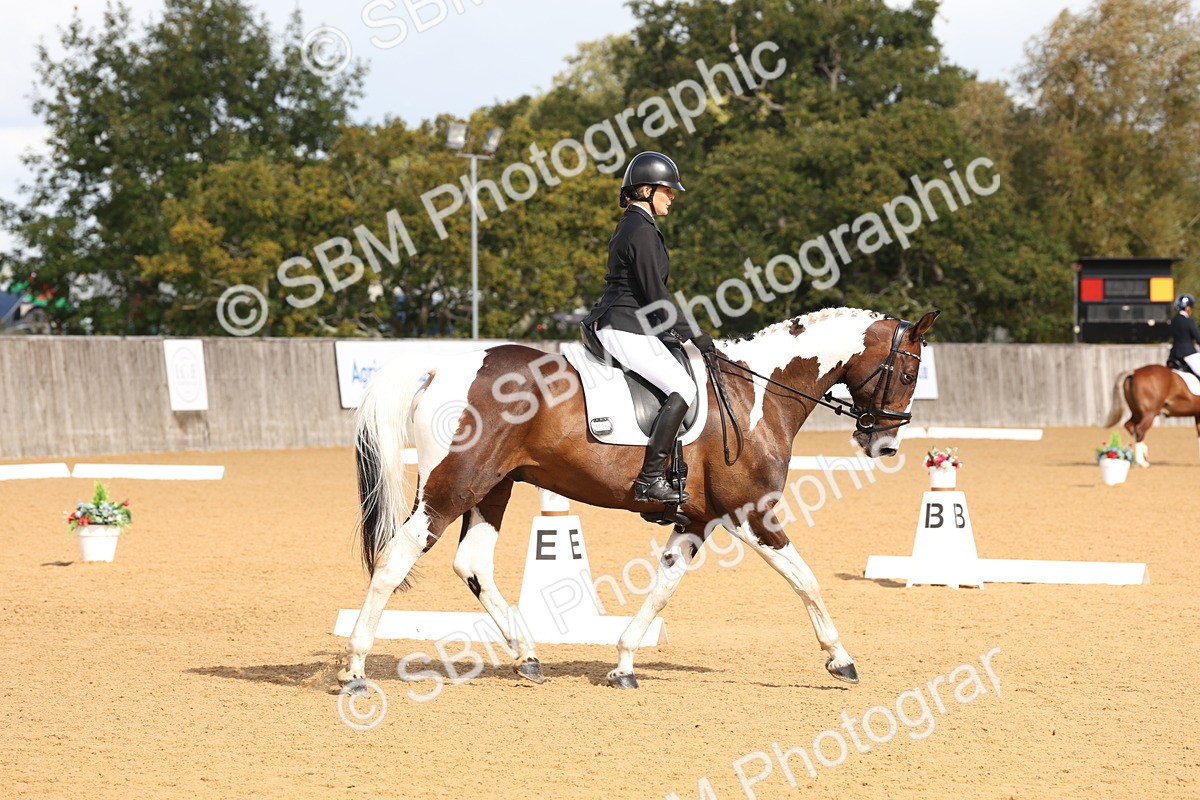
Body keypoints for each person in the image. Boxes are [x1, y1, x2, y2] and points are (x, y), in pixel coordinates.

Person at [581, 151, 715, 504]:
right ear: (645, 190)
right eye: (667, 190)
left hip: (630, 322)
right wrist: (694, 333)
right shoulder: (640, 229)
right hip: (622, 325)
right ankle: (649, 479)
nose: (672, 196)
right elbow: (655, 293)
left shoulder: (637, 226)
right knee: (683, 387)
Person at [1169, 293, 1200, 379]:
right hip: (1188, 353)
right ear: (1187, 308)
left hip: (1174, 355)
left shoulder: (1173, 321)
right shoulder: (1189, 321)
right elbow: (1198, 338)